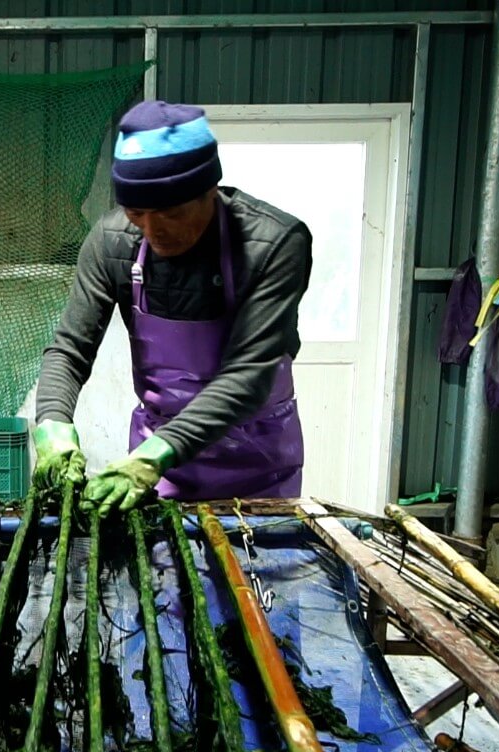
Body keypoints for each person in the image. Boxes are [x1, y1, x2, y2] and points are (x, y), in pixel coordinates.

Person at [33, 100, 312, 514]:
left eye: (171, 212)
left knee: (256, 572)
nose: (153, 230)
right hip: (158, 468)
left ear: (210, 190)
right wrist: (52, 424)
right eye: (136, 212)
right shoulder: (113, 242)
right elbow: (69, 350)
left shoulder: (273, 244)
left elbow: (248, 375)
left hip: (256, 462)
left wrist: (154, 454)